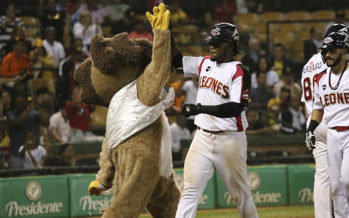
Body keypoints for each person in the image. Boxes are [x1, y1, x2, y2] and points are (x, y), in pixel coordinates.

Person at [172, 22, 258, 217]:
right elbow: (176, 61)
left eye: (217, 43)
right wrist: (165, 32)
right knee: (190, 190)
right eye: (211, 42)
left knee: (241, 196)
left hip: (229, 140)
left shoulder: (239, 70)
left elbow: (236, 107)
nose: (212, 46)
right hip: (201, 137)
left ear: (229, 44)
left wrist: (200, 108)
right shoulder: (204, 63)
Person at [306, 24, 349, 217]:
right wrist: (311, 128)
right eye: (325, 51)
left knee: (347, 179)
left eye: (332, 50)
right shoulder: (321, 79)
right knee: (335, 187)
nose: (327, 54)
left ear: (344, 49)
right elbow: (317, 109)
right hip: (332, 134)